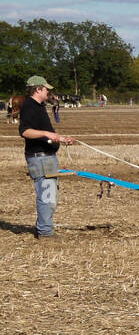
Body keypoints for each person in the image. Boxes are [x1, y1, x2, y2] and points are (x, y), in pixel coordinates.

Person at [18, 76, 76, 240]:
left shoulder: (38, 106)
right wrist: (46, 133)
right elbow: (25, 131)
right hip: (40, 158)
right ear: (38, 89)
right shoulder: (30, 106)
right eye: (46, 89)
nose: (48, 92)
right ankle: (45, 233)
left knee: (50, 194)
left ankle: (44, 227)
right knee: (47, 195)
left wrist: (62, 139)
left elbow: (45, 134)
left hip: (46, 157)